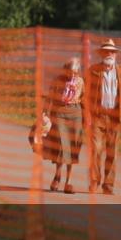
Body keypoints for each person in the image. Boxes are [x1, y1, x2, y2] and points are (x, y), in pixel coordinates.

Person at [85, 39, 121, 195]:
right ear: (101, 54)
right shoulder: (93, 70)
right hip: (97, 116)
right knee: (96, 150)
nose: (109, 54)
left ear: (116, 54)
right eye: (106, 51)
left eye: (112, 52)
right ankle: (94, 182)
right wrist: (86, 114)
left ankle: (108, 185)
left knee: (112, 153)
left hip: (115, 117)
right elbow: (85, 95)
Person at [43, 57, 84, 194]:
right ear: (65, 69)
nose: (73, 75)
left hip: (75, 113)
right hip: (59, 112)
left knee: (73, 146)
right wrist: (45, 112)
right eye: (71, 71)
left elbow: (84, 99)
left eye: (76, 72)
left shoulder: (80, 81)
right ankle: (57, 176)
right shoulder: (58, 80)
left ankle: (69, 182)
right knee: (61, 145)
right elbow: (49, 96)